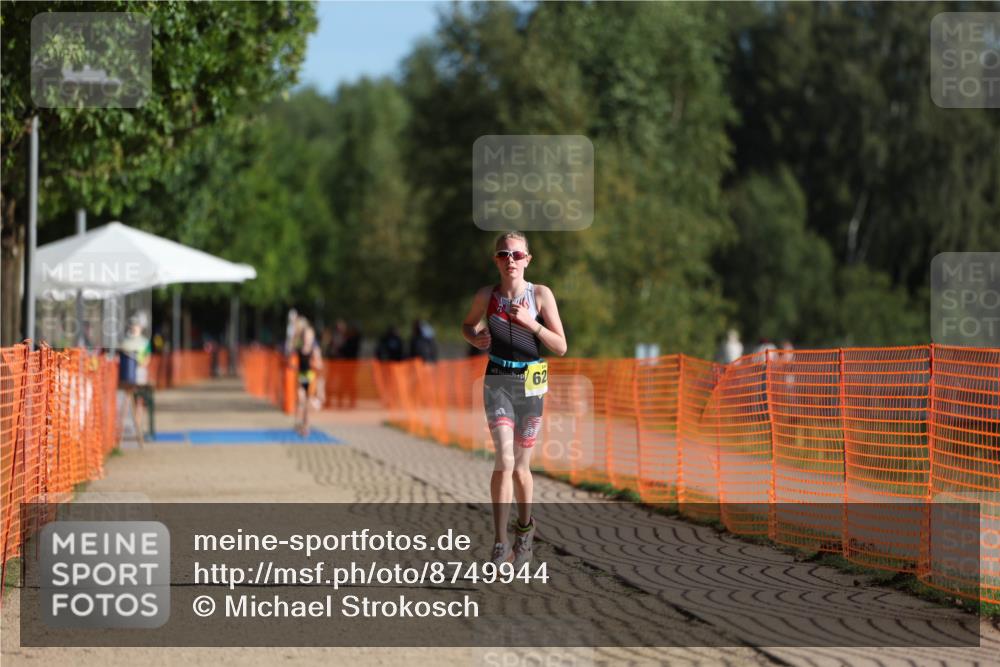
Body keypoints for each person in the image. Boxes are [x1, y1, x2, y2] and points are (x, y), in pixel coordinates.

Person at [461, 231, 567, 568]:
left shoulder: (541, 295)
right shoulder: (486, 295)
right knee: (504, 461)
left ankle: (524, 530)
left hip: (531, 385)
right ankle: (499, 543)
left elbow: (561, 346)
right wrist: (475, 337)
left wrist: (531, 324)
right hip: (497, 381)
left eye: (517, 255)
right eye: (504, 254)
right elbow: (467, 325)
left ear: (527, 260)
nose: (511, 260)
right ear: (496, 260)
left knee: (521, 467)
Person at [294, 323, 323, 436]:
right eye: (306, 336)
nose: (308, 338)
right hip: (301, 377)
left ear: (313, 338)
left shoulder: (315, 350)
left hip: (311, 378)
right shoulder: (299, 349)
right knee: (300, 399)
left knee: (307, 404)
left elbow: (320, 365)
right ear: (303, 337)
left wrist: (315, 364)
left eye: (310, 336)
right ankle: (299, 422)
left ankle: (306, 426)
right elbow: (293, 361)